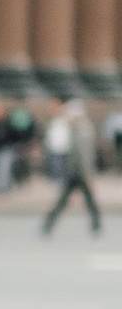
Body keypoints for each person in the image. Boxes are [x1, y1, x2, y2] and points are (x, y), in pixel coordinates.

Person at [41, 96, 103, 236]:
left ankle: (48, 225)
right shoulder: (74, 128)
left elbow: (85, 153)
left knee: (70, 200)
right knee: (79, 199)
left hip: (78, 171)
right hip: (74, 170)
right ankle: (95, 225)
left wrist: (87, 172)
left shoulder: (82, 129)